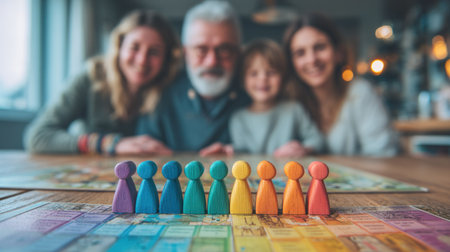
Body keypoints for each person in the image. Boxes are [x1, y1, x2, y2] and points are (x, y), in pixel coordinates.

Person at [24, 10, 181, 155]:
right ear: (119, 47)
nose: (142, 60)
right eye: (134, 47)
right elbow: (37, 136)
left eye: (154, 52)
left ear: (167, 59)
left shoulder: (173, 88)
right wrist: (109, 143)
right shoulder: (91, 78)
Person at [137, 1, 248, 155]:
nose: (212, 61)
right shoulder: (159, 96)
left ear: (238, 53)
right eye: (201, 50)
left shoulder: (257, 93)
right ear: (185, 53)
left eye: (224, 50)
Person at [283, 13, 398, 156]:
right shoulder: (286, 101)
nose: (312, 59)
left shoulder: (360, 93)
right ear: (292, 62)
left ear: (339, 53)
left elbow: (383, 154)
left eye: (319, 47)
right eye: (300, 53)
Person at [229, 40, 324, 157]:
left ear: (283, 78)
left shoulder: (294, 109)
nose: (263, 79)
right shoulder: (238, 118)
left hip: (287, 173)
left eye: (271, 72)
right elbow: (241, 151)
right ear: (243, 81)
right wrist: (230, 150)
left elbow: (317, 140)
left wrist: (304, 149)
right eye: (253, 73)